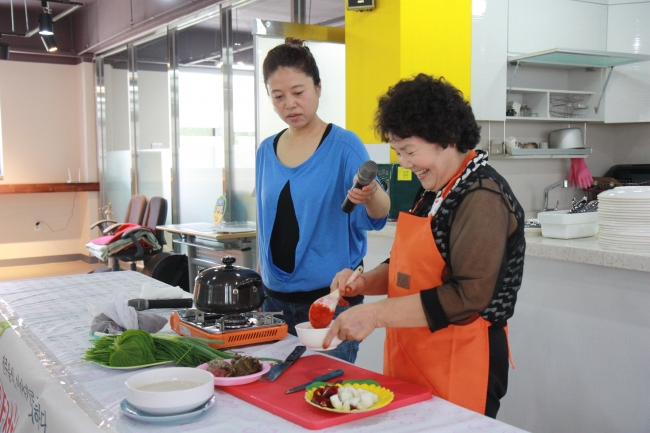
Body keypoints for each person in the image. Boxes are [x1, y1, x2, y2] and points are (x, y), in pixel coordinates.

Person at [324, 74, 525, 418]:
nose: (404, 163)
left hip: (462, 359)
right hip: (412, 353)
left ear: (447, 138)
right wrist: (363, 282)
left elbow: (467, 297)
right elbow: (405, 266)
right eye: (398, 152)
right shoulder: (435, 188)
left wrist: (374, 314)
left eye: (410, 151)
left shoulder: (482, 196)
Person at [255, 37, 390, 364]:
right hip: (272, 304)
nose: (289, 104)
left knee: (325, 387)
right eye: (278, 96)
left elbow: (378, 215)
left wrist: (371, 193)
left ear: (318, 88)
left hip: (329, 303)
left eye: (298, 92)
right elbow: (265, 224)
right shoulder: (265, 151)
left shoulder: (344, 146)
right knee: (272, 388)